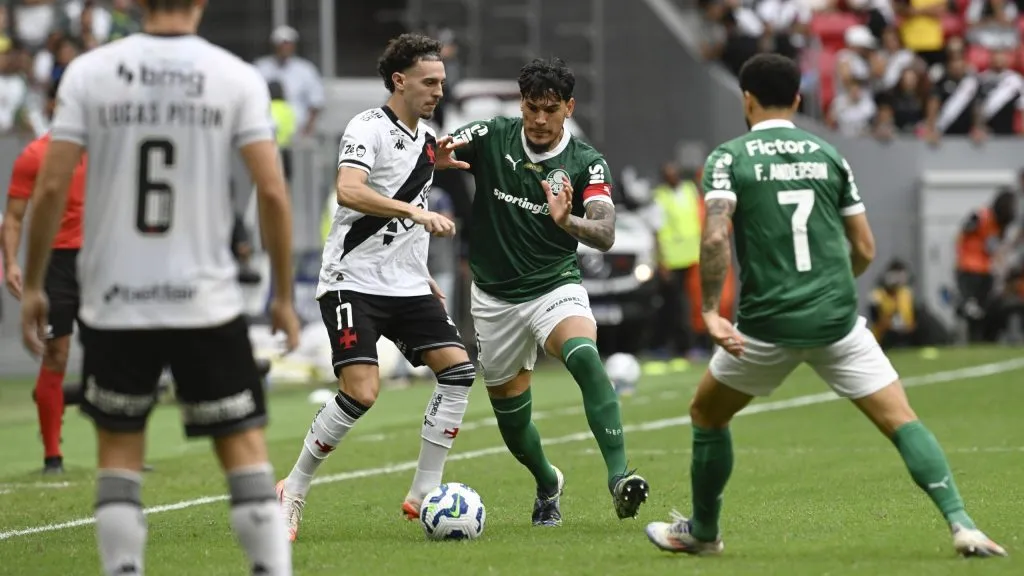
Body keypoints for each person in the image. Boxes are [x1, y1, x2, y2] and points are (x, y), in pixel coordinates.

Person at [643, 53, 1007, 559]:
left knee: (706, 413)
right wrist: (830, 285)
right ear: (796, 99)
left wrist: (708, 311)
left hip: (766, 326)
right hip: (837, 321)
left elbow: (714, 238)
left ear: (746, 99)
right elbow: (865, 249)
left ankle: (703, 532)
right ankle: (963, 524)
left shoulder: (729, 157)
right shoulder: (829, 154)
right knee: (902, 421)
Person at [19, 1, 300, 574]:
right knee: (244, 452)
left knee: (119, 456)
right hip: (206, 301)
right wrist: (282, 297)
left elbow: (49, 189)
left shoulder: (90, 73)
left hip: (117, 302)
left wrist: (33, 285)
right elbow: (272, 193)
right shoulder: (234, 75)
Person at [275, 33, 475, 542]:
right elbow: (350, 189)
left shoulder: (427, 140)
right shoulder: (367, 126)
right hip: (351, 283)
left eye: (442, 83)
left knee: (458, 372)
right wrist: (412, 208)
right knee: (362, 392)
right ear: (399, 80)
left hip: (406, 284)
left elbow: (407, 190)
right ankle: (293, 488)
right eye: (429, 82)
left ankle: (423, 491)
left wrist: (420, 268)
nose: (437, 91)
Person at [449, 57, 649, 526]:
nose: (539, 119)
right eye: (532, 108)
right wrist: (433, 158)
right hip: (495, 299)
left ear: (568, 107)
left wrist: (566, 221)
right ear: (521, 105)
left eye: (551, 109)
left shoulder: (585, 163)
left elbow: (604, 232)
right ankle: (547, 482)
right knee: (514, 426)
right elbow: (436, 150)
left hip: (553, 286)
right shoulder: (491, 136)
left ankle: (619, 477)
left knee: (583, 354)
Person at [2, 76, 84, 475]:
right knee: (57, 353)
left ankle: (119, 454)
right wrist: (12, 264)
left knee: (117, 353)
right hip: (56, 261)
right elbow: (14, 218)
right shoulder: (34, 155)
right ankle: (53, 456)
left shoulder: (104, 149)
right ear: (52, 105)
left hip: (103, 257)